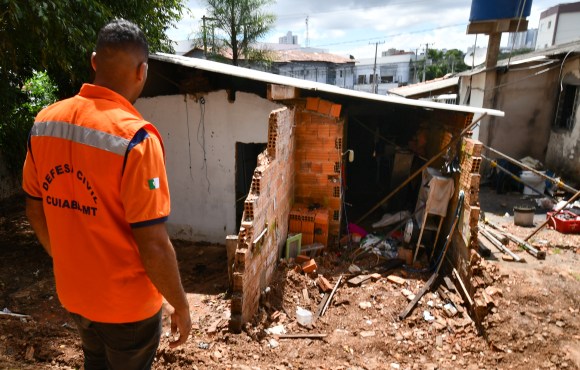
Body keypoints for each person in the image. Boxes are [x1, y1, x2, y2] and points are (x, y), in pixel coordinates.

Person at [22, 19, 191, 370]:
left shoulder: (45, 123)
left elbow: (34, 208)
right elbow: (154, 243)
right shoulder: (136, 140)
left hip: (75, 295)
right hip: (127, 309)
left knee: (94, 361)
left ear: (94, 61)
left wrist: (66, 259)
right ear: (142, 71)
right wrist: (182, 305)